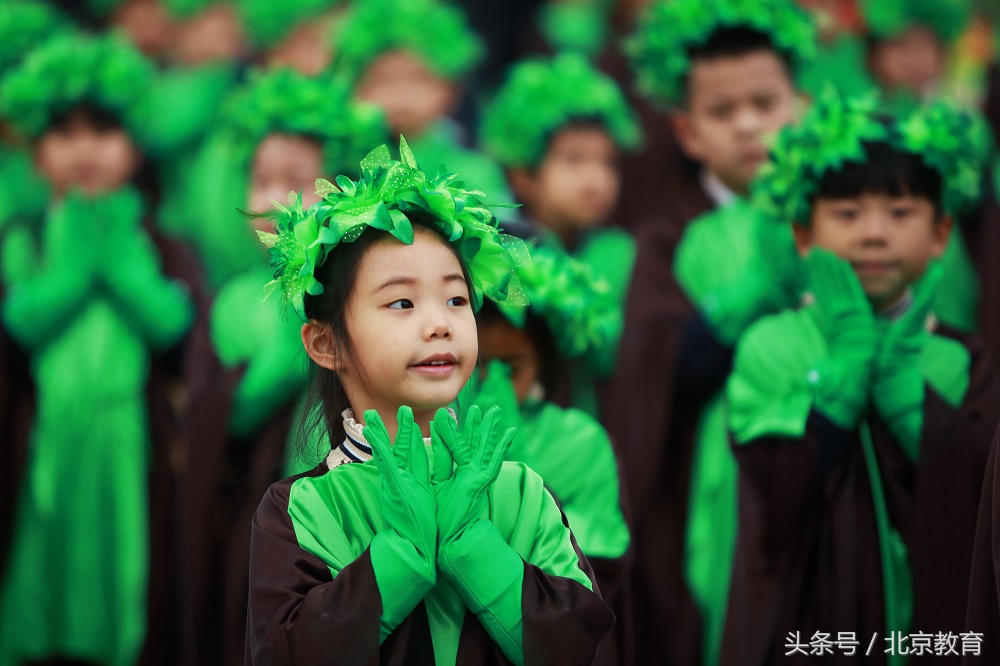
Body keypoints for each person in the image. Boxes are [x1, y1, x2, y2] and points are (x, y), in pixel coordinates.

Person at [244, 138, 615, 664]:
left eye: (457, 299)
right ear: (325, 344)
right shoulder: (305, 508)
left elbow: (577, 644)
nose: (440, 323)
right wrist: (398, 556)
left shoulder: (521, 492)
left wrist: (474, 545)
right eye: (401, 301)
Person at [721, 92, 1000, 665]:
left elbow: (979, 510)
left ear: (942, 232)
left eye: (900, 214)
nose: (875, 234)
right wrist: (842, 375)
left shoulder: (962, 360)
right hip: (805, 633)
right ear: (803, 234)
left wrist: (914, 411)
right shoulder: (770, 346)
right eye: (847, 215)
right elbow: (775, 494)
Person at [610, 1, 814, 662]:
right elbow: (660, 372)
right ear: (688, 132)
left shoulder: (842, 211)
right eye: (723, 112)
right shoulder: (669, 237)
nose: (749, 124)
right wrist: (752, 294)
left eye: (765, 102)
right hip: (711, 491)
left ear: (801, 107)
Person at [0, 33, 196, 665]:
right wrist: (75, 268)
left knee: (124, 560)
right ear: (35, 152)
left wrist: (121, 268)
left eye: (104, 129)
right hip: (43, 436)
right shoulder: (26, 236)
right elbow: (18, 325)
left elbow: (174, 326)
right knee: (38, 559)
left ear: (135, 147)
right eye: (63, 132)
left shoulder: (158, 240)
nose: (84, 148)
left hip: (128, 438)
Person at [179, 67, 384, 666]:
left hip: (357, 500)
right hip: (270, 515)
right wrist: (294, 351)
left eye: (298, 181)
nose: (274, 199)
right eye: (261, 177)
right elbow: (226, 414)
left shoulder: (356, 286)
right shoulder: (238, 299)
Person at [468, 240, 631, 664]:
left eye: (515, 366)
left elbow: (599, 557)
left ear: (542, 362)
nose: (496, 381)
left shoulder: (580, 439)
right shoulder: (436, 430)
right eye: (482, 363)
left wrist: (520, 477)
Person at [479, 52, 641, 414]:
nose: (595, 179)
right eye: (573, 159)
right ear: (523, 175)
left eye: (608, 162)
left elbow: (621, 359)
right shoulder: (501, 251)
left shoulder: (621, 252)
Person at [329, 0, 511, 201]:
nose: (400, 94)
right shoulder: (340, 164)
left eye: (418, 79)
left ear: (451, 87)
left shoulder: (474, 171)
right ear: (354, 87)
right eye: (382, 80)